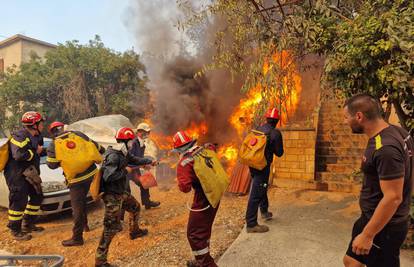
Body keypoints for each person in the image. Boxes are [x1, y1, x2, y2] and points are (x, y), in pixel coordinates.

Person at [342, 94, 413, 267]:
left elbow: (393, 197)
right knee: (351, 261)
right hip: (371, 216)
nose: (344, 122)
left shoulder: (385, 148)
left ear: (359, 116)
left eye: (346, 117)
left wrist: (368, 235)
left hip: (385, 226)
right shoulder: (397, 132)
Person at [95, 127, 156, 267]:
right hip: (112, 196)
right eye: (130, 140)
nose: (132, 143)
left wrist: (149, 161)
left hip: (121, 192)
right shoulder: (114, 155)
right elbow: (108, 176)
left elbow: (134, 159)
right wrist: (125, 171)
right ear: (126, 140)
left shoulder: (123, 152)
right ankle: (100, 261)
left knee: (135, 207)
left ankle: (135, 232)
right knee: (110, 228)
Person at [47, 121, 105, 246]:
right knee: (105, 196)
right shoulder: (79, 134)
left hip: (75, 181)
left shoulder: (54, 144)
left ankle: (77, 237)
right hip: (93, 175)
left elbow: (51, 165)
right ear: (64, 127)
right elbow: (99, 148)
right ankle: (114, 222)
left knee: (78, 207)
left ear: (52, 133)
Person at [174, 131, 220, 267]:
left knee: (194, 234)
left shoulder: (184, 163)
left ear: (178, 149)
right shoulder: (205, 150)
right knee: (204, 229)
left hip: (203, 200)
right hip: (215, 195)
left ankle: (206, 264)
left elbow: (185, 188)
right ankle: (201, 260)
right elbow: (212, 147)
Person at [5, 111, 46, 241]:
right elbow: (18, 155)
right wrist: (35, 152)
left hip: (30, 172)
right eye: (41, 123)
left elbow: (38, 152)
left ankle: (28, 223)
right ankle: (15, 230)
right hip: (16, 174)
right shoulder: (19, 136)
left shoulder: (38, 136)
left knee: (37, 196)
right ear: (34, 124)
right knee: (19, 200)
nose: (43, 125)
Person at [245, 108, 284, 233]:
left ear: (266, 118)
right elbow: (279, 153)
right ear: (277, 121)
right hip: (263, 167)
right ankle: (251, 224)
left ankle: (264, 211)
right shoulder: (275, 133)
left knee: (262, 186)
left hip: (253, 164)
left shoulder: (258, 129)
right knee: (256, 193)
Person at [126, 122, 160, 209]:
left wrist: (144, 165)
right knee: (126, 192)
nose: (148, 134)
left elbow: (138, 158)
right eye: (146, 132)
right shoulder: (133, 143)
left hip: (134, 169)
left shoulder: (141, 143)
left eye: (148, 132)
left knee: (144, 183)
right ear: (140, 132)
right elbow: (130, 158)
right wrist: (145, 163)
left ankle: (147, 203)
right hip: (126, 170)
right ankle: (122, 215)